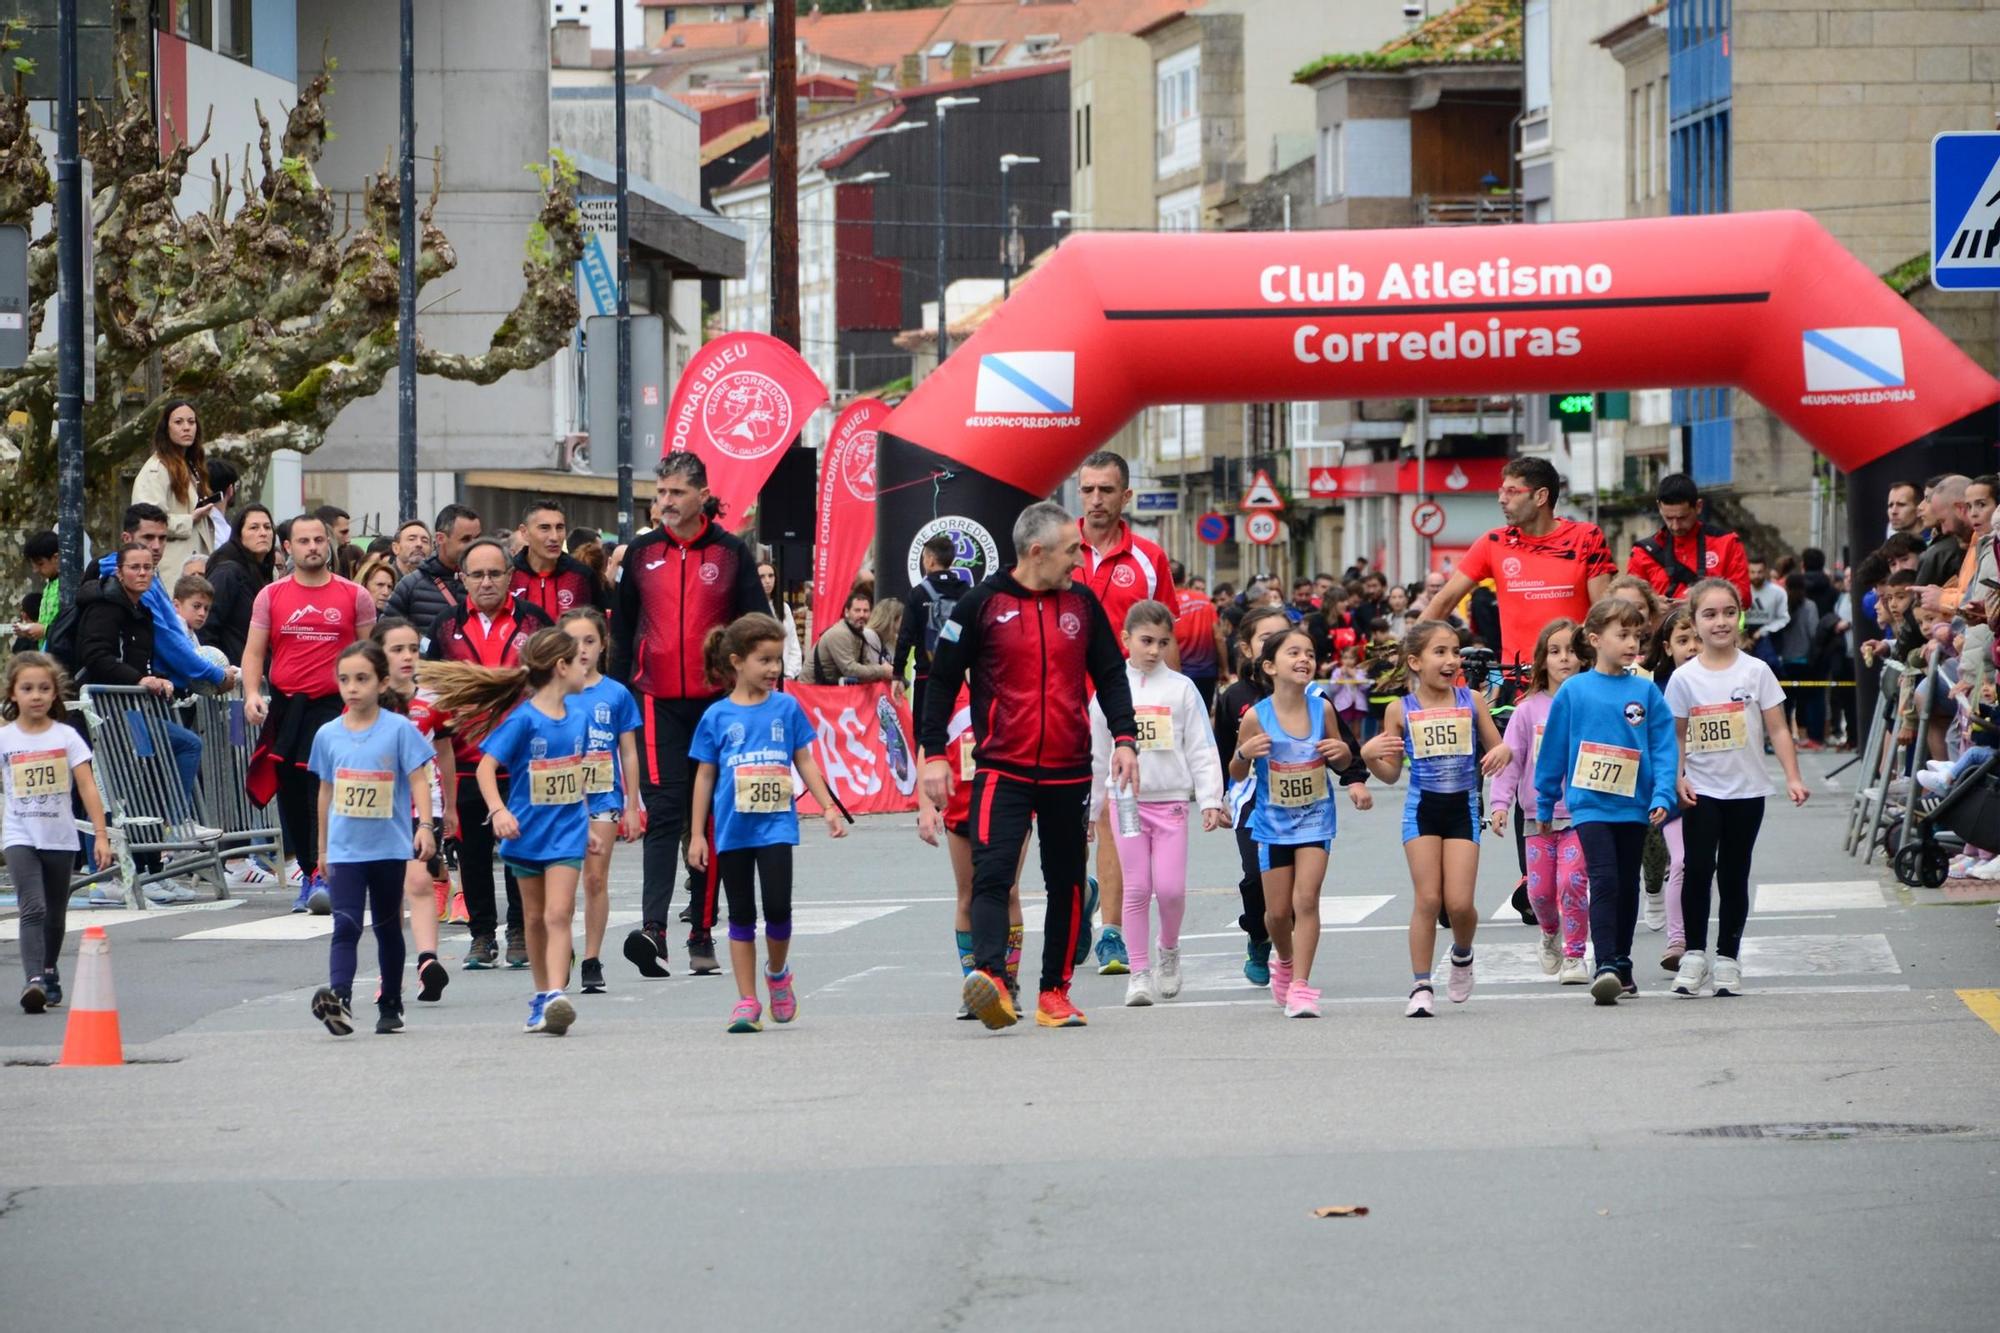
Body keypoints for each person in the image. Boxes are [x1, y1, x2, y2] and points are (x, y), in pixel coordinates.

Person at [920, 501, 1140, 1031]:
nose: (1078, 562)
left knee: (1065, 882)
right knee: (990, 876)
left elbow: (1111, 674)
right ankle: (992, 980)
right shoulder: (981, 604)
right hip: (1002, 768)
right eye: (1070, 551)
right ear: (1036, 552)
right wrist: (932, 755)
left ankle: (1054, 994)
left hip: (1069, 769)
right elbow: (940, 680)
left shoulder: (1082, 605)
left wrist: (1126, 737)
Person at [611, 452, 766, 980]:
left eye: (676, 493)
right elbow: (622, 628)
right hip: (654, 700)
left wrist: (765, 692)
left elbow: (757, 625)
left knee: (711, 819)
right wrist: (614, 697)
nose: (666, 503)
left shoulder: (730, 553)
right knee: (664, 810)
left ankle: (702, 930)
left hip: (717, 704)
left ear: (702, 495)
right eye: (661, 493)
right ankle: (653, 929)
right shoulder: (640, 552)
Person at [426, 628, 592, 1035]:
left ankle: (556, 994)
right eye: (579, 659)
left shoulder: (581, 718)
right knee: (534, 918)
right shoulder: (523, 719)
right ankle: (541, 996)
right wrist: (498, 810)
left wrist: (588, 817)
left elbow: (577, 774)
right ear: (560, 666)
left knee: (558, 913)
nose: (585, 665)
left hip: (568, 832)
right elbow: (485, 769)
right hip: (526, 833)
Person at [688, 614, 847, 1033]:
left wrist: (828, 807)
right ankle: (746, 1001)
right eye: (765, 660)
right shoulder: (716, 716)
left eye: (778, 660)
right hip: (732, 829)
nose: (774, 669)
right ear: (738, 662)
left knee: (777, 907)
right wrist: (695, 835)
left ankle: (777, 973)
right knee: (740, 913)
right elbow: (704, 776)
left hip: (776, 825)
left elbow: (805, 760)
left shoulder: (786, 707)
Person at [1667, 578, 1811, 998]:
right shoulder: (1684, 679)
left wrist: (1793, 776)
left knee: (1734, 871)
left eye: (1729, 613)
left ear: (1740, 616)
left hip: (1747, 790)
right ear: (1694, 623)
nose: (1721, 622)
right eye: (1709, 615)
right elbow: (1675, 735)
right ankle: (1694, 955)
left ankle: (1728, 957)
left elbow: (1778, 728)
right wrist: (1677, 777)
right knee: (1696, 868)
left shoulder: (1756, 671)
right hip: (1701, 789)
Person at [1532, 596, 1678, 1006]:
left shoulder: (1645, 692)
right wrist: (1545, 802)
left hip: (1634, 805)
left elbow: (1663, 746)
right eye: (1623, 634)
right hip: (1590, 804)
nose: (1633, 643)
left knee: (1627, 883)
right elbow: (1554, 750)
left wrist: (1663, 791)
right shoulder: (1575, 691)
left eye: (1638, 635)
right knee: (1605, 877)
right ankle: (1607, 965)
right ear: (1595, 639)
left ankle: (1623, 964)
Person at [1361, 622, 1510, 1017]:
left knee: (1459, 904)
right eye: (1440, 652)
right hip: (1422, 811)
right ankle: (1421, 985)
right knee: (1428, 899)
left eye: (1455, 651)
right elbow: (1391, 774)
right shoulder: (1400, 709)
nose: (1451, 660)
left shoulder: (1471, 700)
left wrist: (1501, 754)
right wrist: (1369, 756)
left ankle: (1462, 955)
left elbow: (1500, 748)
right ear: (1415, 662)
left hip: (1462, 809)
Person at [1086, 600, 1227, 1008]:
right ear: (1126, 639)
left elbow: (1201, 747)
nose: (1154, 650)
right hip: (1126, 802)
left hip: (1171, 806)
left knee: (1169, 890)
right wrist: (1092, 809)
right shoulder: (1110, 691)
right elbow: (1097, 753)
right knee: (1137, 888)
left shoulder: (1181, 689)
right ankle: (1140, 973)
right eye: (1146, 641)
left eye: (1163, 643)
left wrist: (1210, 799)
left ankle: (1168, 949)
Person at [425, 537, 555, 969]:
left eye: (495, 573)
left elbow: (553, 684)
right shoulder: (444, 626)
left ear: (510, 577)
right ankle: (482, 935)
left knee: (521, 848)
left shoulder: (535, 621)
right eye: (477, 574)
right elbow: (434, 691)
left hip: (522, 760)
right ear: (462, 579)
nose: (486, 582)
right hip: (465, 759)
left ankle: (519, 929)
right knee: (473, 853)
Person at [1075, 451, 1178, 976]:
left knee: (1115, 818)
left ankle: (1110, 931)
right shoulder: (1054, 549)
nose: (1096, 500)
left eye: (1106, 491)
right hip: (1064, 707)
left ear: (1125, 497)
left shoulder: (1149, 559)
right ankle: (1078, 900)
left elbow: (1167, 635)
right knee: (1071, 822)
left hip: (1124, 712)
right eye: (1088, 490)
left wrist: (1178, 709)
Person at [243, 514, 376, 914]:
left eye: (319, 539)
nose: (313, 546)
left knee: (326, 787)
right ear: (288, 547)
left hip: (337, 705)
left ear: (329, 544)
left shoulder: (355, 595)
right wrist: (252, 694)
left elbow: (370, 654)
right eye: (304, 541)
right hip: (287, 705)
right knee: (291, 790)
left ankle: (332, 872)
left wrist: (370, 704)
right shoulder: (271, 595)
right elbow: (253, 652)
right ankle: (308, 871)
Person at [306, 641, 438, 1037]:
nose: (352, 687)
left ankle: (391, 1002)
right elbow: (325, 792)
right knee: (344, 924)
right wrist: (323, 848)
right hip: (346, 850)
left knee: (385, 927)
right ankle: (340, 1000)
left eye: (362, 679)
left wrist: (425, 827)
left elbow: (418, 778)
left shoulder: (398, 729)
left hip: (388, 847)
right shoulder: (328, 735)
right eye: (344, 679)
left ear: (382, 683)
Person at [1227, 625, 1352, 1019]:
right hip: (1272, 825)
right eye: (1293, 653)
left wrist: (1341, 751)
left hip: (1316, 820)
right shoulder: (1256, 718)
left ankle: (1301, 985)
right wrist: (1245, 753)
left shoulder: (1323, 709)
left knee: (1306, 900)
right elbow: (1236, 772)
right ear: (1270, 666)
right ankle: (1283, 958)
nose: (1304, 660)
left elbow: (1343, 761)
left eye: (1310, 654)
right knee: (1277, 913)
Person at [1422, 457, 1615, 669]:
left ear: (1541, 496)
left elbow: (1602, 614)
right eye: (1501, 492)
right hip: (1518, 680)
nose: (1502, 500)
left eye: (1512, 492)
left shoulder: (1586, 537)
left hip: (1576, 678)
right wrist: (1407, 651)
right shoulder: (1493, 542)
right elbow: (1444, 600)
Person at [2, 653, 112, 1014]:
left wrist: (100, 834)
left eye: (44, 689)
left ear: (55, 695)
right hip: (20, 834)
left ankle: (49, 970)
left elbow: (87, 786)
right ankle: (33, 979)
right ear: (13, 693)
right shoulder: (5, 739)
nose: (36, 695)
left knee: (55, 913)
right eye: (27, 688)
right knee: (32, 906)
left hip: (59, 836)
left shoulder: (66, 736)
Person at [919, 679, 1028, 1017]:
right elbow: (928, 748)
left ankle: (1007, 982)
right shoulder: (948, 692)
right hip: (963, 809)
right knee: (967, 896)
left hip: (1010, 805)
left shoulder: (1009, 682)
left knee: (1007, 891)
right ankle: (975, 985)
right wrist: (926, 807)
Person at [1488, 619, 1589, 984]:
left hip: (1581, 814)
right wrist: (1500, 805)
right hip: (1538, 818)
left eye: (1572, 651)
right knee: (1541, 892)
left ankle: (1576, 955)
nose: (1564, 658)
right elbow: (1510, 761)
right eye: (1555, 651)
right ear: (1542, 660)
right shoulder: (1528, 710)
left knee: (1573, 882)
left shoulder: (1589, 701)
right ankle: (1550, 932)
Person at [370, 616, 454, 1003]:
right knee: (387, 890)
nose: (407, 657)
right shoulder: (365, 698)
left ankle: (427, 962)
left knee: (419, 882)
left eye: (412, 649)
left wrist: (449, 807)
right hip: (379, 806)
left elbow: (445, 753)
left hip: (425, 803)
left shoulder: (432, 698)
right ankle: (389, 972)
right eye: (396, 650)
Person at [559, 608, 644, 996]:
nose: (582, 650)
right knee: (562, 883)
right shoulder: (552, 692)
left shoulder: (616, 694)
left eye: (590, 641)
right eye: (574, 642)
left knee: (595, 878)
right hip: (559, 800)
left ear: (603, 644)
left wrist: (631, 805)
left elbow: (628, 751)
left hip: (604, 796)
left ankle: (592, 958)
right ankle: (563, 952)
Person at [1644, 606, 1700, 962]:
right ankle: (1677, 941)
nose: (1692, 647)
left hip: (1716, 787)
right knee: (1678, 862)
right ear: (1667, 648)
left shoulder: (1721, 679)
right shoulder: (1655, 690)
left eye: (1696, 638)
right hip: (1673, 785)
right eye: (1683, 640)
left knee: (1705, 864)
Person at [1626, 473, 1752, 604]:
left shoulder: (1727, 542)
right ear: (1659, 508)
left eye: (1682, 518)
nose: (1675, 526)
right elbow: (1631, 605)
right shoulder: (1643, 552)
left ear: (1698, 507)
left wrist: (1699, 601)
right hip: (1663, 623)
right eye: (1668, 518)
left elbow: (1744, 597)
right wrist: (1654, 607)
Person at [131, 399, 218, 580]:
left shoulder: (192, 465)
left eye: (191, 422)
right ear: (166, 428)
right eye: (179, 422)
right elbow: (147, 522)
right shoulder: (156, 470)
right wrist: (190, 519)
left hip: (196, 569)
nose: (186, 427)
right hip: (171, 571)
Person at [386, 502, 482, 642]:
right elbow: (386, 635)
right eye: (465, 539)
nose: (474, 545)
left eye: (477, 538)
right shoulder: (410, 585)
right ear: (440, 539)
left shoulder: (488, 582)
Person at [895, 534, 966, 722]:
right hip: (959, 676)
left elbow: (905, 637)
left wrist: (898, 673)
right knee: (957, 730)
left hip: (927, 674)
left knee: (925, 731)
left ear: (931, 560)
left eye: (924, 557)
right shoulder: (965, 591)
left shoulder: (918, 594)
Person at [509, 498, 608, 623]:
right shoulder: (509, 575)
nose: (554, 537)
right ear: (524, 532)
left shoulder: (582, 576)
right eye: (545, 528)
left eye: (560, 528)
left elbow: (601, 627)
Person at [201, 504, 277, 664]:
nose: (263, 533)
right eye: (254, 528)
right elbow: (207, 624)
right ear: (239, 535)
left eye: (267, 527)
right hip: (233, 676)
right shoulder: (227, 572)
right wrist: (218, 671)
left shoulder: (264, 572)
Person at [1774, 572, 1823, 748]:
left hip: (1784, 660)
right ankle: (1802, 736)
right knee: (1803, 702)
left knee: (1786, 701)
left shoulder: (1782, 607)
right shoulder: (1810, 606)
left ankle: (1786, 736)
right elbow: (1814, 632)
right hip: (1804, 660)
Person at [811, 584, 892, 685]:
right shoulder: (840, 633)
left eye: (866, 611)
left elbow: (865, 665)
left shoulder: (858, 633)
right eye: (857, 610)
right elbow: (850, 670)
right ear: (846, 612)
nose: (862, 615)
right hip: (813, 691)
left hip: (830, 689)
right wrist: (882, 670)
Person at [759, 559, 804, 680]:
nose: (767, 581)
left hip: (783, 676)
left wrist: (789, 673)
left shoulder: (784, 608)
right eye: (762, 577)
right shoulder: (749, 608)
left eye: (771, 576)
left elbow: (793, 644)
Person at [1743, 557, 1790, 670]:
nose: (1756, 576)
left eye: (1759, 572)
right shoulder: (1741, 591)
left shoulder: (1778, 592)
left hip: (1771, 641)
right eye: (1752, 572)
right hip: (1744, 640)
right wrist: (1742, 637)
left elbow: (1783, 618)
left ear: (1766, 571)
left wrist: (1764, 631)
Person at [16, 532, 60, 651]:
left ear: (56, 558)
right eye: (33, 565)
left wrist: (45, 630)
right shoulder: (48, 587)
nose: (35, 570)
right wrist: (30, 632)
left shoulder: (66, 587)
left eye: (40, 564)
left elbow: (70, 626)